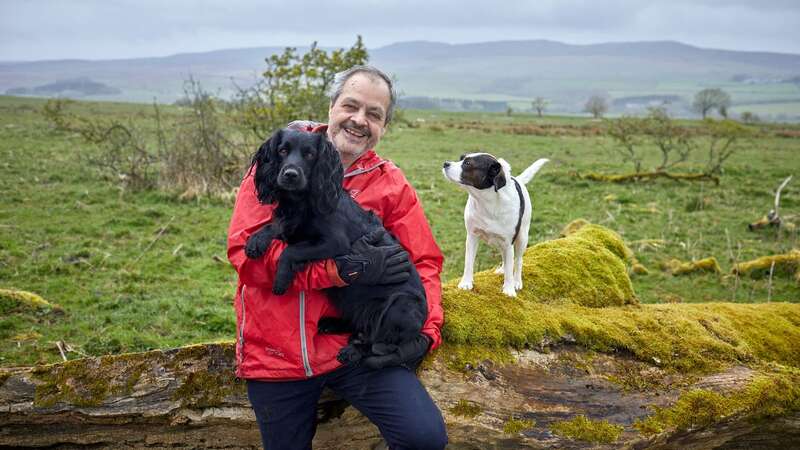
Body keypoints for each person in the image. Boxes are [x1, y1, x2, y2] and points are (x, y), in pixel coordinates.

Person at [227, 65, 448, 450]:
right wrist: (339, 271)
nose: (359, 120)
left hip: (355, 348)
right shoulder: (279, 162)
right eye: (351, 105)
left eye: (374, 114)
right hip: (279, 353)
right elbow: (247, 257)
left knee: (424, 438)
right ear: (331, 107)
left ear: (384, 126)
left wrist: (425, 334)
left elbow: (424, 262)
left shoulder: (390, 183)